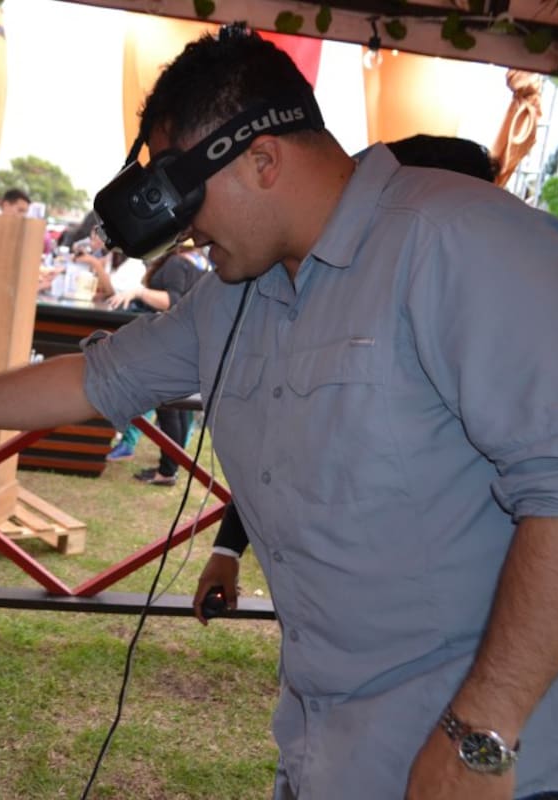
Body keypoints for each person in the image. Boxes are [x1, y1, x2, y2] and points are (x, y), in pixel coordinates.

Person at [0, 31, 558, 800]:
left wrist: (483, 732)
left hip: (495, 770)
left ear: (263, 159)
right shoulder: (234, 295)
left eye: (186, 194)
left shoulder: (463, 241)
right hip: (329, 755)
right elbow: (95, 381)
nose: (184, 227)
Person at [205, 132, 507, 609]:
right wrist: (227, 547)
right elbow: (286, 446)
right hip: (348, 617)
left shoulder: (499, 314)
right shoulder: (323, 298)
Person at [105, 243, 210, 485]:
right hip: (187, 342)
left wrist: (139, 292)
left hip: (173, 343)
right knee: (176, 410)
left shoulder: (176, 262)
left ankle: (167, 470)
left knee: (169, 408)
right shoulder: (197, 261)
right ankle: (169, 468)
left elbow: (173, 299)